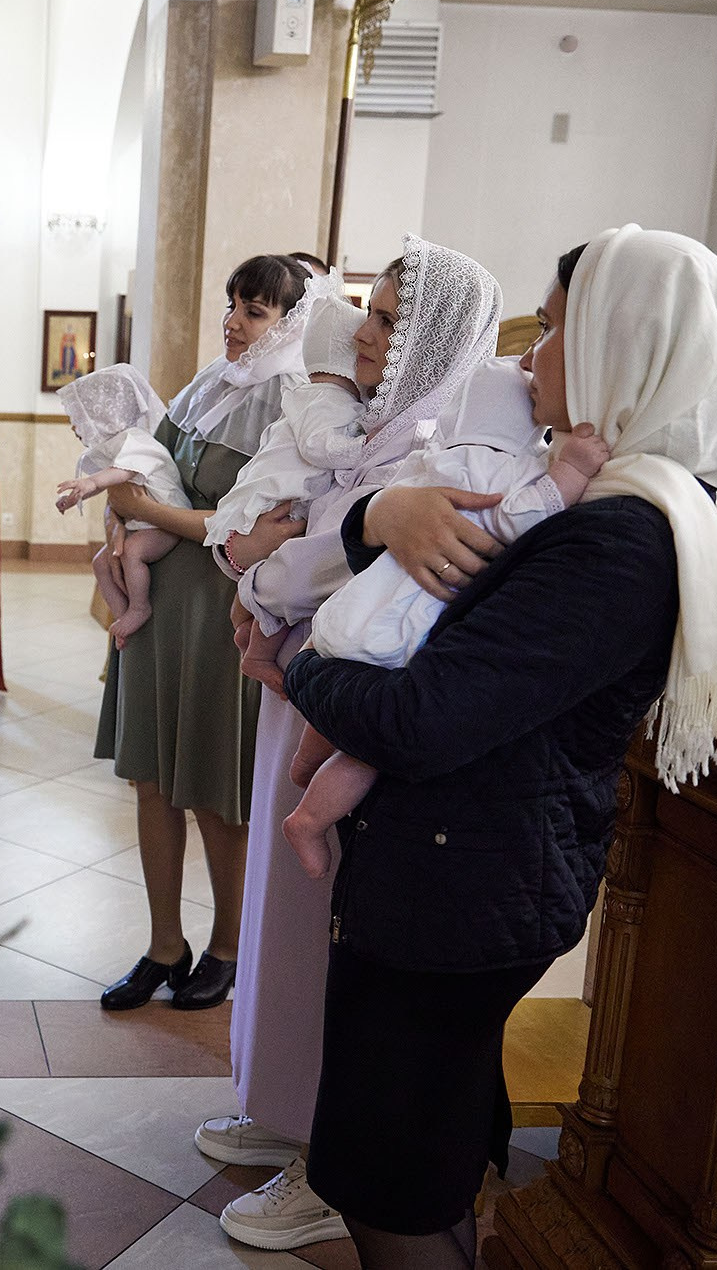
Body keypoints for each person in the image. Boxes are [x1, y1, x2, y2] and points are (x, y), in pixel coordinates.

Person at [280, 226, 717, 1267]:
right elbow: (427, 578)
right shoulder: (603, 497)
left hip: (462, 890)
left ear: (618, 346)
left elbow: (422, 718)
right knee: (423, 1159)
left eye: (554, 329)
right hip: (462, 874)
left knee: (388, 1186)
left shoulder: (620, 537)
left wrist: (305, 668)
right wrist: (380, 516)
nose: (532, 354)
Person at [199, 238, 502, 1253]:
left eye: (386, 320)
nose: (362, 334)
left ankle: (327, 1161)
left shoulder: (431, 449)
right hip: (303, 677)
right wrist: (253, 564)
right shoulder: (364, 425)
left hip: (351, 698)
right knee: (281, 909)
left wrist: (254, 575)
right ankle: (284, 1103)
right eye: (368, 313)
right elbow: (276, 532)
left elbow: (328, 559)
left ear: (433, 341)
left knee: (322, 919)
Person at [280, 360, 612, 878]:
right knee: (365, 752)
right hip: (402, 630)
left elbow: (374, 516)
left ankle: (304, 765)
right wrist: (569, 472)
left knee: (335, 699)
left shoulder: (432, 460)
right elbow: (518, 518)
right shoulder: (503, 470)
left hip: (356, 611)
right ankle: (308, 819)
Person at [94, 252, 311, 1013]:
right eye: (232, 304)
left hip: (222, 611)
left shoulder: (296, 404)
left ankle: (226, 945)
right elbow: (148, 467)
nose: (234, 322)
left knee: (218, 792)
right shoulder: (208, 385)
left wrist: (147, 513)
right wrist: (122, 510)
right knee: (152, 781)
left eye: (255, 311)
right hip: (161, 607)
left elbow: (245, 528)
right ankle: (164, 945)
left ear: (291, 323)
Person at [206, 271, 367, 691]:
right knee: (271, 586)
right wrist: (361, 447)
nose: (232, 321)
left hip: (270, 510)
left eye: (252, 311)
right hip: (280, 503)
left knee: (265, 590)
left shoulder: (305, 394)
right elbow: (321, 447)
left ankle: (253, 643)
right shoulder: (328, 400)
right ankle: (257, 652)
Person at [53, 363, 190, 644]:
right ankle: (121, 617)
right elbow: (110, 481)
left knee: (132, 552)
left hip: (167, 523)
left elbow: (121, 473)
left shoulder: (136, 441)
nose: (75, 426)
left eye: (81, 418)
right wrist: (77, 496)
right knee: (100, 563)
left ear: (105, 414)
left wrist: (90, 483)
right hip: (142, 523)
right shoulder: (116, 445)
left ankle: (139, 608)